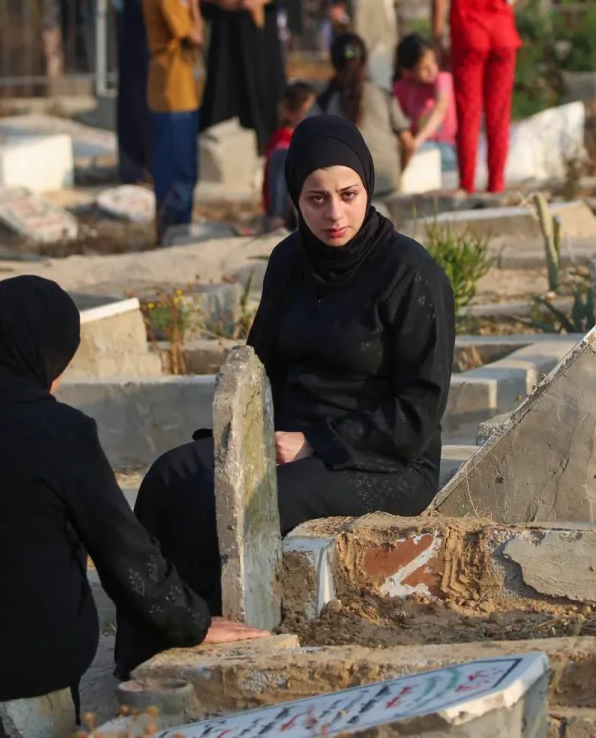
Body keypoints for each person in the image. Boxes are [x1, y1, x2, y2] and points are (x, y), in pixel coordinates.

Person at [116, 115, 455, 678]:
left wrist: (315, 442)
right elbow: (261, 368)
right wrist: (243, 440)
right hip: (284, 440)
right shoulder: (290, 261)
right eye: (316, 199)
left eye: (348, 195)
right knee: (170, 477)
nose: (334, 214)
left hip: (383, 458)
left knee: (245, 502)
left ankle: (221, 647)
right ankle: (151, 649)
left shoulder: (410, 273)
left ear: (368, 189)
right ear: (295, 198)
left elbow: (418, 412)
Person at [0, 276, 266, 737]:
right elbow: (123, 552)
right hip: (29, 664)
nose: (56, 379)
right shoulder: (61, 431)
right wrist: (192, 622)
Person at [431, 0, 521, 193]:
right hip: (503, 38)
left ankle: (467, 184)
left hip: (469, 38)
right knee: (499, 114)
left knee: (468, 114)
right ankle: (496, 183)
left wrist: (437, 38)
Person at [117, 0, 206, 184]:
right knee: (175, 161)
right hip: (165, 70)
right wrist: (190, 3)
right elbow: (192, 34)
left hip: (174, 73)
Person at [199, 0, 290, 150]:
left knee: (263, 93)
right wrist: (222, 2)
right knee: (224, 93)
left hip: (259, 41)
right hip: (226, 40)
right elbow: (205, 4)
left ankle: (268, 145)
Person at [142, 0, 207, 237]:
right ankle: (173, 227)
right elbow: (192, 34)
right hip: (172, 89)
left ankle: (177, 224)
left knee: (181, 164)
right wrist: (192, 0)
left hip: (180, 86)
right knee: (176, 166)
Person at [316, 33, 413, 198]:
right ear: (365, 60)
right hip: (387, 181)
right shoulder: (383, 94)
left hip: (347, 189)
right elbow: (408, 144)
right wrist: (397, 172)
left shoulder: (325, 102)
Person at [392, 34, 458, 182]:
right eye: (424, 68)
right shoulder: (403, 87)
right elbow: (397, 119)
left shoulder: (442, 79)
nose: (432, 70)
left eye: (433, 62)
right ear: (408, 71)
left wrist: (417, 142)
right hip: (420, 148)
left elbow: (440, 108)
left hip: (446, 146)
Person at [263, 81, 316, 232]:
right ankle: (277, 219)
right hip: (284, 211)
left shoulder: (306, 137)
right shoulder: (283, 139)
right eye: (307, 111)